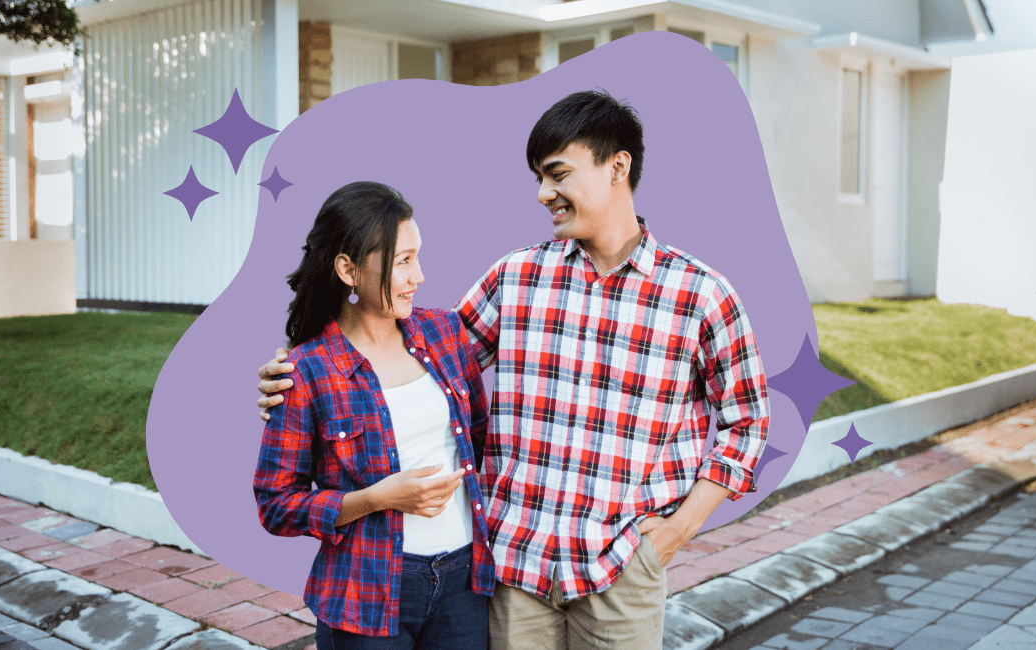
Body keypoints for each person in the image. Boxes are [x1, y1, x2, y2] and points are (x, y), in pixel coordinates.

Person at [258, 91, 769, 650]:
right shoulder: (518, 277)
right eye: (538, 178)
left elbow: (748, 423)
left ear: (617, 166)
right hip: (513, 572)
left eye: (557, 175)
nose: (543, 194)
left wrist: (679, 530)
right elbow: (417, 355)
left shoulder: (700, 294)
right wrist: (299, 371)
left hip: (619, 569)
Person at [253, 181, 494, 649]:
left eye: (417, 257)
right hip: (367, 592)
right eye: (403, 261)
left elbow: (484, 437)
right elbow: (275, 504)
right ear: (348, 269)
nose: (418, 275)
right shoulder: (307, 370)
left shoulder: (444, 333)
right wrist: (375, 498)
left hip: (465, 581)